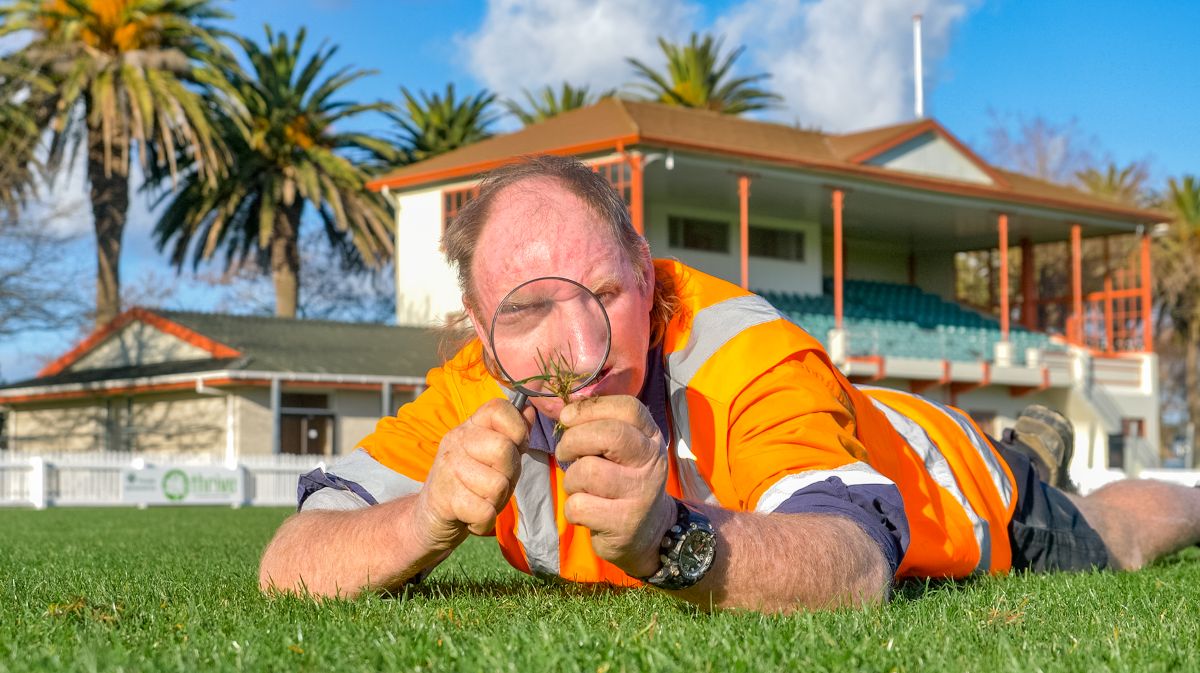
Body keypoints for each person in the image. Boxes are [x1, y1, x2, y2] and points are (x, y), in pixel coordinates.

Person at [259, 155, 1200, 613]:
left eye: (603, 293)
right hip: (869, 423)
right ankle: (1030, 435)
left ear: (647, 264)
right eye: (526, 311)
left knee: (1116, 530)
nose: (578, 346)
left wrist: (674, 542)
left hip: (942, 479)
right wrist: (424, 517)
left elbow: (857, 560)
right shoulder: (472, 386)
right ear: (477, 326)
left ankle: (1050, 463)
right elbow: (289, 559)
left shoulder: (744, 353)